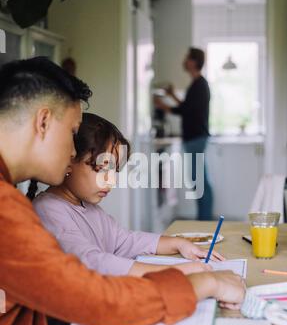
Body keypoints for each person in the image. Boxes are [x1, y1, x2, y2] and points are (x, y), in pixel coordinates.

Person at [0, 57, 245, 325]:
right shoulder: (7, 209)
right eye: (73, 133)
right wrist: (206, 284)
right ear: (43, 122)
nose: (74, 148)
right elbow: (99, 300)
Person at [32, 113, 224, 277]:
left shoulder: (90, 209)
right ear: (69, 161)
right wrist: (176, 270)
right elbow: (92, 262)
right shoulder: (48, 210)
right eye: (102, 169)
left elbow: (126, 241)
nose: (112, 181)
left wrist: (179, 244)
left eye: (115, 171)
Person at [154, 47, 213, 220]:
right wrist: (172, 95)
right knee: (199, 180)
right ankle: (204, 219)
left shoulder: (200, 85)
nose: (184, 61)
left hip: (196, 138)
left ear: (194, 62)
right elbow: (188, 106)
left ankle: (204, 221)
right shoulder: (197, 84)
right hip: (195, 138)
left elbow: (186, 110)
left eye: (187, 58)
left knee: (199, 181)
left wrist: (163, 105)